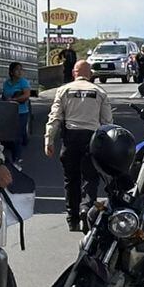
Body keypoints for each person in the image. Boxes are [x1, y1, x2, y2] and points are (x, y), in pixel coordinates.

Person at [44, 60, 112, 231]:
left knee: (71, 179)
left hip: (71, 138)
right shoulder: (100, 92)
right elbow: (107, 122)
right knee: (91, 178)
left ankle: (72, 218)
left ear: (74, 73)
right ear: (90, 74)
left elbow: (55, 118)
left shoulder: (63, 90)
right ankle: (87, 210)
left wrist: (49, 140)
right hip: (92, 138)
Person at [0, 62, 33, 165]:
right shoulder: (7, 83)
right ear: (11, 72)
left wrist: (14, 99)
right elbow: (4, 96)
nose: (19, 72)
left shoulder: (23, 82)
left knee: (17, 135)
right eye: (17, 70)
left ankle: (17, 158)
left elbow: (26, 95)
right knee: (10, 135)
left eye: (21, 70)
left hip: (21, 112)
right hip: (10, 112)